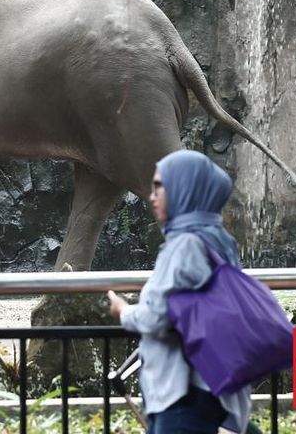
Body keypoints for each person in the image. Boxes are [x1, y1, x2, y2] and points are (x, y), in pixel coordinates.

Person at [107, 150, 251, 434]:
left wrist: (124, 311)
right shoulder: (219, 240)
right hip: (209, 385)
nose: (152, 197)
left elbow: (159, 317)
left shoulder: (185, 245)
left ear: (185, 189)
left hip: (183, 393)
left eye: (160, 187)